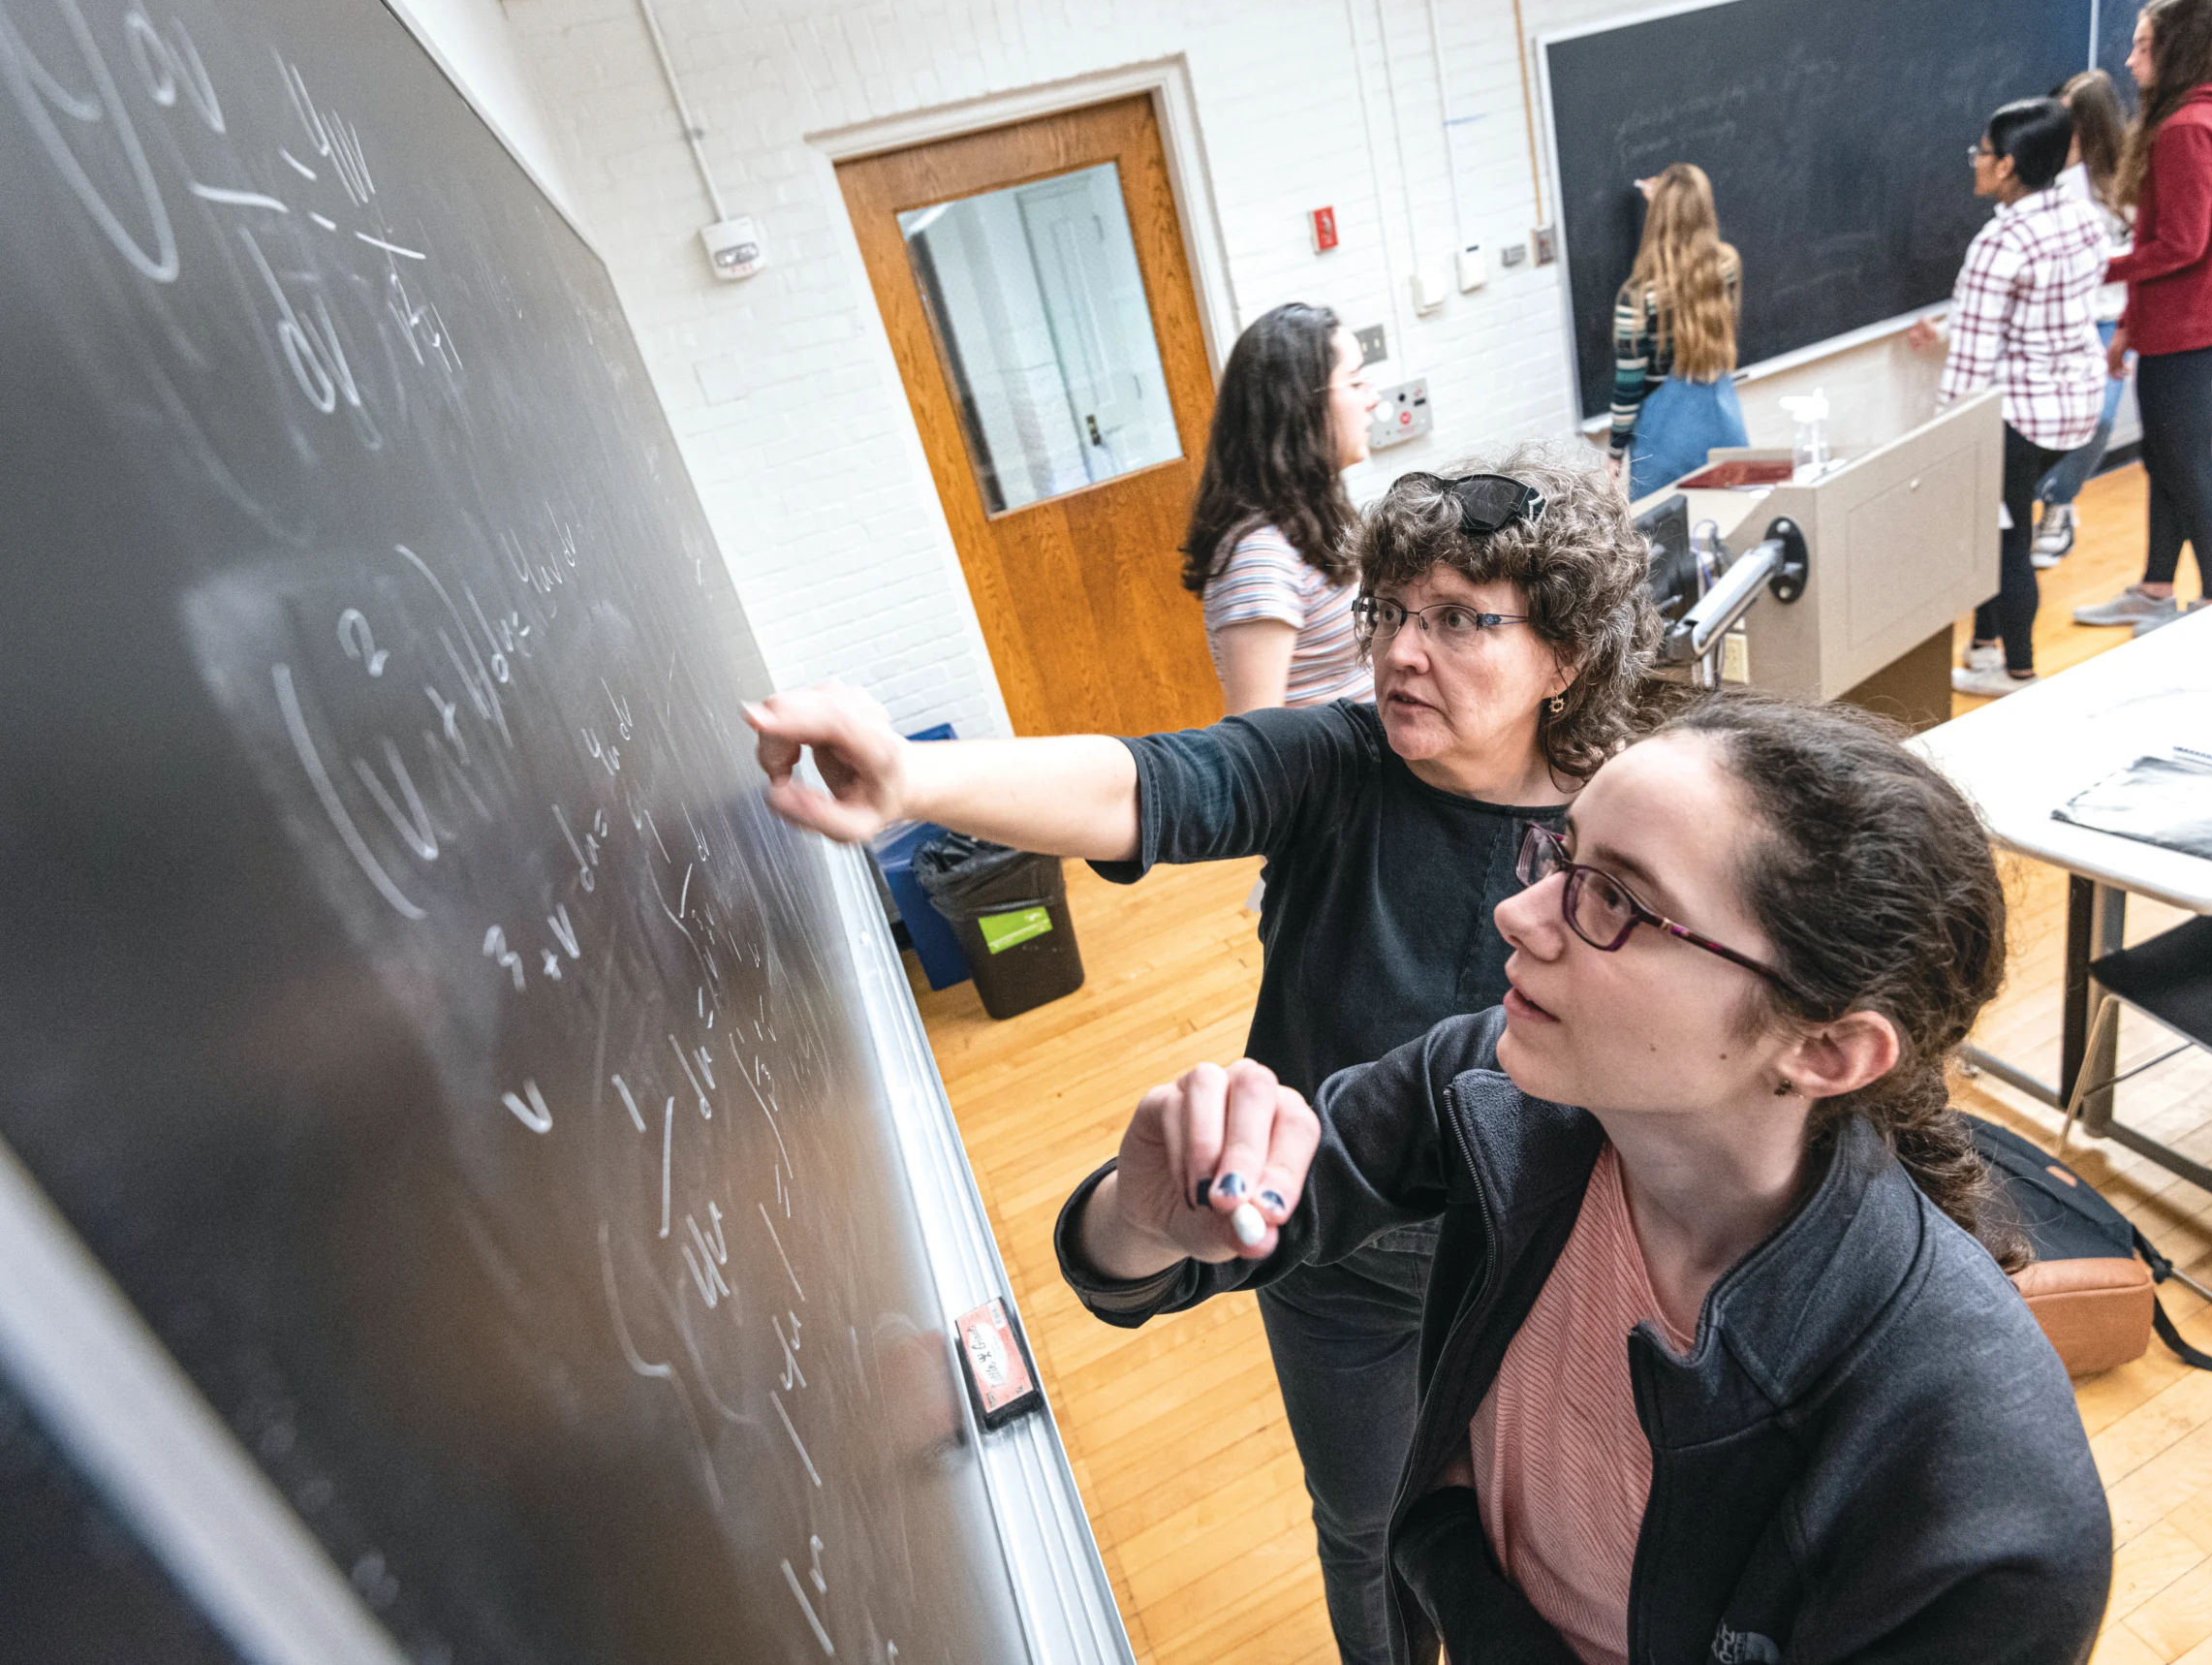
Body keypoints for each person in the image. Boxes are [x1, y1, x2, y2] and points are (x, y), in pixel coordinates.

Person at [745, 448, 1666, 1665]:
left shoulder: (1626, 821)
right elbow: (1147, 781)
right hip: (1331, 1254)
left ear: (1566, 656)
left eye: (1457, 620)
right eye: (1390, 609)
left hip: (1544, 1249)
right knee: (1368, 1525)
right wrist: (916, 779)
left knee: (1538, 1524)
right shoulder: (1331, 764)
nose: (1398, 649)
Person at [1052, 692, 2113, 1665]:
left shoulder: (1984, 1499)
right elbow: (1168, 1251)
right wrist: (1143, 1216)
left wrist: (1449, 1560)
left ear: (1827, 1049)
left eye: (1612, 900)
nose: (1517, 915)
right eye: (1558, 858)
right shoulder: (1495, 1087)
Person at [2072, 0, 2212, 635]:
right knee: (2166, 458)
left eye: (2143, 47)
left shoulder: (2189, 126)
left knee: (2185, 464)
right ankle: (2157, 589)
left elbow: (2180, 244)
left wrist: (2094, 268)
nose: (2131, 62)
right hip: (2184, 317)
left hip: (2187, 323)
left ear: (2179, 48)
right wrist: (2129, 324)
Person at [1911, 99, 2109, 698]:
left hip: (2020, 416)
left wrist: (1946, 437)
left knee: (2005, 539)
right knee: (2004, 521)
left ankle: (2018, 672)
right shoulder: (2080, 217)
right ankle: (1982, 648)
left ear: (2010, 166)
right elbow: (2042, 311)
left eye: (1985, 153)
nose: (1976, 162)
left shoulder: (2000, 241)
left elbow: (1972, 360)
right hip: (2077, 404)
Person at [1181, 303, 1382, 714]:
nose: (1374, 400)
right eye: (1356, 382)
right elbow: (1255, 743)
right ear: (1300, 406)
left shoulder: (1312, 520)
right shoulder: (1259, 555)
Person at [2032, 71, 2135, 569]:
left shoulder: (2130, 173)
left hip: (2109, 318)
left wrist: (2102, 263)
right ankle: (2044, 500)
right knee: (2046, 422)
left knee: (2099, 417)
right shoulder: (2042, 179)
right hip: (2053, 321)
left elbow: (2150, 248)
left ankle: (2057, 505)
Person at [1606, 164, 1746, 500]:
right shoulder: (1725, 267)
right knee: (1732, 525)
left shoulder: (1637, 298)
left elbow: (1629, 387)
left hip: (1665, 441)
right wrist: (1674, 198)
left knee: (1664, 539)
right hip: (1722, 421)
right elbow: (1690, 277)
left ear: (1658, 216)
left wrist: (1615, 452)